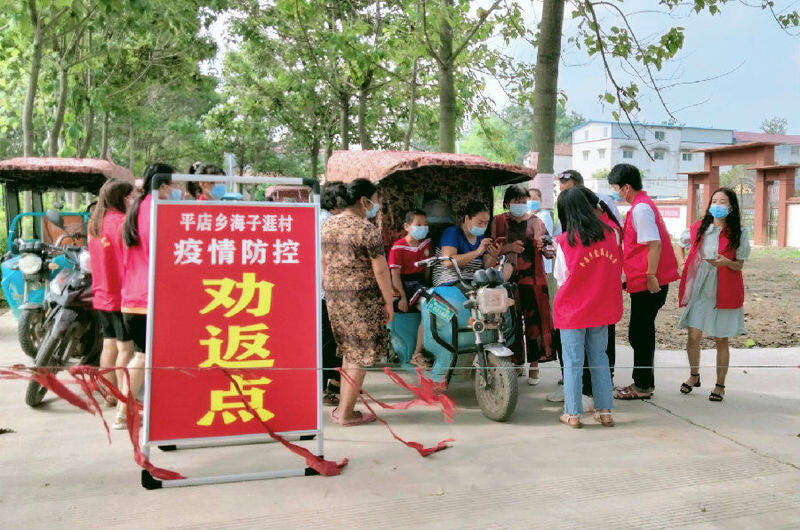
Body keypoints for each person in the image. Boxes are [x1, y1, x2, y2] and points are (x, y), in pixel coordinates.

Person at [322, 179, 394, 426]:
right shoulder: (367, 230)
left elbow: (323, 262)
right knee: (359, 356)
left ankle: (344, 407)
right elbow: (381, 271)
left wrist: (331, 285)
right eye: (375, 200)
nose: (377, 206)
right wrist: (388, 302)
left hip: (335, 299)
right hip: (362, 301)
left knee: (347, 352)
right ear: (364, 201)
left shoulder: (328, 225)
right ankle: (346, 414)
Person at [114, 163, 179, 429]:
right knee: (142, 357)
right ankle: (122, 413)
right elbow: (162, 254)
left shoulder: (136, 208)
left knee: (142, 356)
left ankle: (130, 410)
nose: (174, 190)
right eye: (173, 185)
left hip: (133, 296)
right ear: (163, 185)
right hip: (148, 300)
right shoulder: (155, 210)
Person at [608, 163, 679, 400]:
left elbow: (654, 244)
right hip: (641, 280)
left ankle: (643, 385)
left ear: (627, 187)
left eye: (617, 189)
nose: (617, 193)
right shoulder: (641, 205)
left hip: (649, 282)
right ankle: (642, 382)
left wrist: (650, 276)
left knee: (640, 334)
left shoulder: (640, 209)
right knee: (640, 332)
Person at [553, 187, 623, 428]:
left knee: (572, 361)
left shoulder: (563, 241)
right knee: (599, 358)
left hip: (572, 310)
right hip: (601, 308)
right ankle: (605, 411)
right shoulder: (612, 234)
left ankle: (572, 414)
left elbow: (560, 278)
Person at [677, 188, 749, 402]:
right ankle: (694, 375)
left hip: (724, 287)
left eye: (722, 201)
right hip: (701, 287)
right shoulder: (700, 228)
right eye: (714, 201)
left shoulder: (739, 232)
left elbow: (739, 265)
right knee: (693, 335)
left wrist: (726, 263)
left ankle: (720, 385)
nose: (717, 205)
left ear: (731, 207)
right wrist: (683, 263)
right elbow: (680, 245)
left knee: (721, 338)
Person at [487, 185, 554, 383]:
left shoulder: (536, 222)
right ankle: (516, 362)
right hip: (506, 280)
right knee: (511, 321)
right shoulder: (498, 221)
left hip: (533, 279)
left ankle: (534, 364)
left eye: (523, 201)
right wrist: (508, 247)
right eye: (516, 201)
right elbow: (489, 251)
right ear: (507, 203)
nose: (520, 205)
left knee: (535, 321)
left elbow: (549, 250)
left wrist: (545, 248)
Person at [87, 179, 135, 408]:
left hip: (101, 294)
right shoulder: (122, 222)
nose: (133, 200)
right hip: (121, 295)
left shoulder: (95, 223)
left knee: (109, 344)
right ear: (122, 198)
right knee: (125, 348)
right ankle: (120, 395)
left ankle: (108, 393)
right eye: (131, 196)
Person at [388, 209, 433, 368]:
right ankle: (417, 354)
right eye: (418, 224)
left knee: (435, 307)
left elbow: (427, 270)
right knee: (428, 307)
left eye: (425, 224)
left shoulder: (427, 244)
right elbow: (395, 275)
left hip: (421, 285)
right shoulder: (398, 247)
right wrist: (402, 297)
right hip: (404, 285)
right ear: (407, 226)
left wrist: (429, 287)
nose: (423, 228)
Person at [319, 182, 345, 405]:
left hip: (329, 290)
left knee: (334, 339)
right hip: (325, 291)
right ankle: (323, 389)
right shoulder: (327, 222)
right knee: (327, 341)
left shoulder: (328, 219)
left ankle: (336, 382)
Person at [432, 201, 496, 287]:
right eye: (479, 222)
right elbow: (448, 262)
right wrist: (477, 252)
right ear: (466, 219)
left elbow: (487, 267)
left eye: (486, 223)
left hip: (473, 282)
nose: (483, 226)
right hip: (450, 281)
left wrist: (494, 256)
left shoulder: (481, 238)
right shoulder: (452, 233)